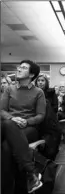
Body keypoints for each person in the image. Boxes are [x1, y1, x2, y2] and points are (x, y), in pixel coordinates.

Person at [1, 60, 46, 193]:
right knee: (9, 124)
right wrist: (12, 118)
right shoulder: (10, 89)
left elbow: (40, 115)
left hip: (28, 128)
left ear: (31, 75)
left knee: (6, 148)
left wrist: (27, 122)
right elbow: (1, 110)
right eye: (19, 67)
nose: (19, 69)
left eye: (24, 68)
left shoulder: (38, 92)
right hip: (8, 124)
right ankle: (31, 173)